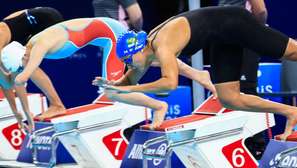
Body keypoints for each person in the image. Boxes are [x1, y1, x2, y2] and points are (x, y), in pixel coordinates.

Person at [92, 6, 297, 139]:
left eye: (128, 60)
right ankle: (293, 112)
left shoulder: (163, 45)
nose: (128, 65)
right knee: (230, 99)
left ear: (138, 50)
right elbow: (130, 78)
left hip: (236, 22)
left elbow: (169, 84)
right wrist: (114, 85)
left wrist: (128, 88)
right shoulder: (144, 52)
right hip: (221, 38)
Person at [3, 16, 216, 129]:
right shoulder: (30, 49)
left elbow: (22, 78)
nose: (26, 70)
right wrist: (21, 115)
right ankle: (199, 75)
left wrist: (18, 78)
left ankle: (158, 106)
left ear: (22, 58)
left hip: (112, 35)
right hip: (107, 32)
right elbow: (17, 80)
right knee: (149, 59)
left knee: (113, 91)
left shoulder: (38, 46)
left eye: (22, 66)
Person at [0, 7, 65, 132]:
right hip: (36, 19)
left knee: (27, 64)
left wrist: (27, 114)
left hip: (46, 19)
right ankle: (56, 104)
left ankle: (57, 105)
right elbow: (7, 84)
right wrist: (18, 114)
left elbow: (17, 80)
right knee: (22, 64)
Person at [218, 0, 267, 159]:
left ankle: (257, 146)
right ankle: (237, 142)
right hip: (226, 38)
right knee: (228, 91)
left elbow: (260, 11)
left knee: (245, 91)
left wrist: (255, 34)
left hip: (243, 38)